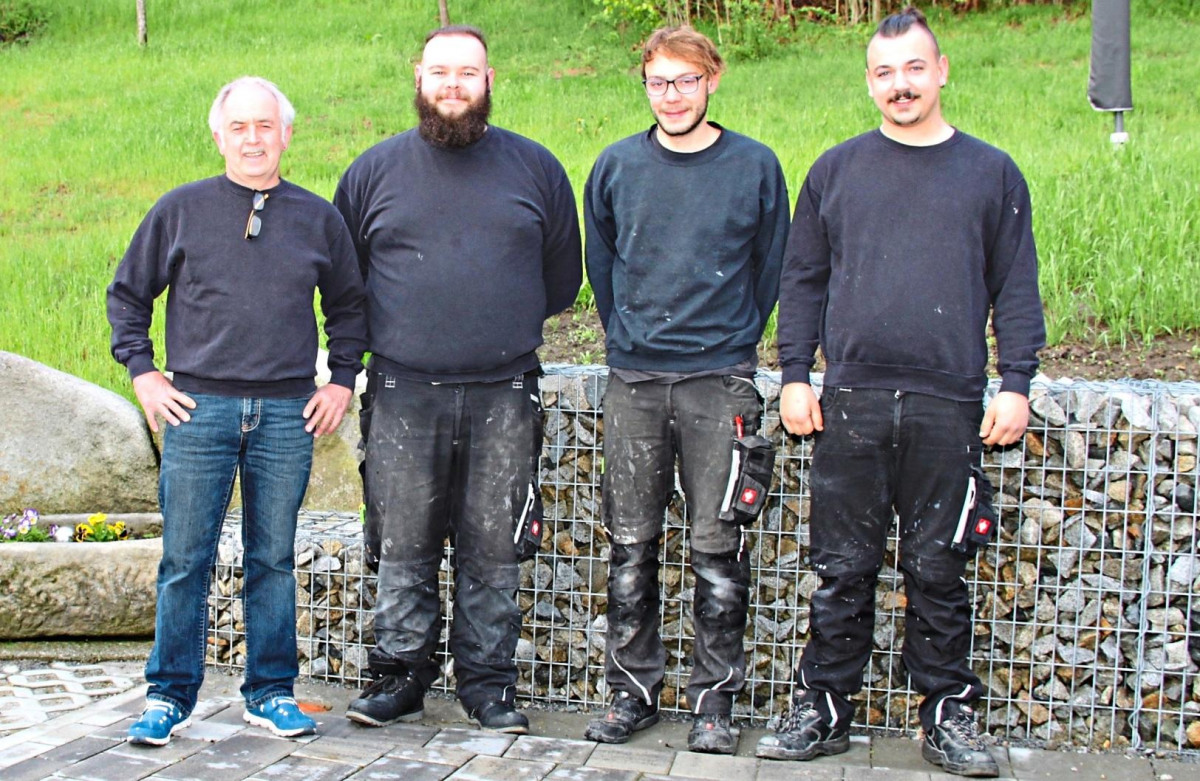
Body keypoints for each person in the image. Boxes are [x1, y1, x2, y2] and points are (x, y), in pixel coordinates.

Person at [754, 7, 1045, 778]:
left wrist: (1016, 383)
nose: (901, 85)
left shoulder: (992, 173)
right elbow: (803, 278)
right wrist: (793, 373)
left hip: (949, 403)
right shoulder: (835, 170)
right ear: (869, 83)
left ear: (942, 70)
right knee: (841, 567)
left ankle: (946, 714)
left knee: (939, 568)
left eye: (914, 68)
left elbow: (1016, 286)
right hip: (850, 400)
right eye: (884, 72)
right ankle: (824, 707)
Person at [333, 25, 582, 734]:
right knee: (403, 541)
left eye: (466, 73)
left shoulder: (536, 169)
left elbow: (561, 280)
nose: (453, 85)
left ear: (489, 79)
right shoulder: (372, 172)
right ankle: (400, 676)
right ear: (418, 77)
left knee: (495, 545)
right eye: (440, 71)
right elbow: (345, 282)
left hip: (505, 389)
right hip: (404, 389)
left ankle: (488, 683)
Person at [107, 76, 368, 746]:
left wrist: (341, 380)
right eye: (240, 127)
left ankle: (270, 691)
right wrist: (143, 374)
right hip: (200, 410)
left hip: (287, 413)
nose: (253, 139)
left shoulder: (317, 218)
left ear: (286, 133)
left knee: (272, 557)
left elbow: (349, 308)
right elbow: (128, 295)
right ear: (219, 135)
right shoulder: (182, 210)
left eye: (265, 126)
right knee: (185, 559)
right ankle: (168, 695)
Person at [581, 26, 790, 755]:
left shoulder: (756, 167)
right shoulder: (614, 168)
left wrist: (731, 342)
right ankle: (630, 693)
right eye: (658, 83)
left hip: (720, 381)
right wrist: (632, 339)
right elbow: (601, 266)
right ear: (645, 87)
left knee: (717, 550)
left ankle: (713, 703)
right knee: (630, 547)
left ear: (713, 80)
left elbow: (771, 270)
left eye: (685, 81)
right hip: (634, 381)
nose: (672, 96)